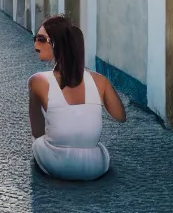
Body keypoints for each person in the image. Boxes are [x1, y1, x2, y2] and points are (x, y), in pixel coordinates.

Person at [29, 15, 126, 181]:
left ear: (56, 44)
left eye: (40, 39)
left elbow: (37, 131)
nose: (35, 45)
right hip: (95, 165)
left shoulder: (38, 81)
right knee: (99, 147)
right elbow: (121, 116)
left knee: (38, 143)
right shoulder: (100, 81)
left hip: (58, 164)